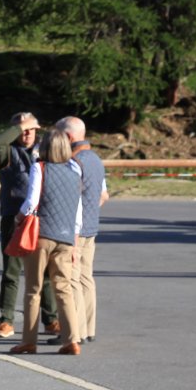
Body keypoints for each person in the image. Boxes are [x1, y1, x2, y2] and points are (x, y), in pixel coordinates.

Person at [9, 126, 83, 355]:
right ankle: (71, 340)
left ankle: (29, 340)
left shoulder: (39, 168)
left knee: (33, 289)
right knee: (64, 288)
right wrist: (74, 238)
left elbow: (31, 202)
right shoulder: (75, 171)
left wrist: (18, 218)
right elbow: (78, 212)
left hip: (41, 235)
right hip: (66, 236)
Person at [0, 113, 56, 336]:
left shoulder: (45, 150)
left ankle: (51, 319)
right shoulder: (7, 152)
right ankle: (6, 320)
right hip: (14, 217)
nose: (27, 134)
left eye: (31, 129)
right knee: (11, 272)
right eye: (23, 130)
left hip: (42, 217)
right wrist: (21, 126)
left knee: (44, 272)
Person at [60, 116, 108, 343]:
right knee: (87, 278)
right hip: (92, 226)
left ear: (68, 137)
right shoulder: (96, 159)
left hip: (75, 230)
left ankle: (75, 332)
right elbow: (104, 195)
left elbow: (72, 198)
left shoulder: (73, 162)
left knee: (73, 280)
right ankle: (89, 329)